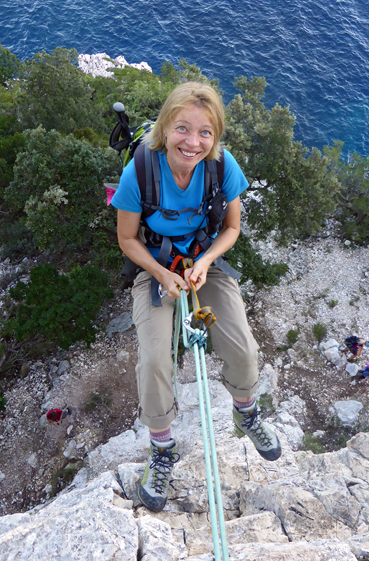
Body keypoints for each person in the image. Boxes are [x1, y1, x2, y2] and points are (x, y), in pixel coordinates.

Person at [111, 81, 281, 513]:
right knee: (154, 360)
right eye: (183, 128)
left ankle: (246, 411)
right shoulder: (140, 172)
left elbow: (232, 228)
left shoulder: (222, 166)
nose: (193, 142)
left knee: (243, 348)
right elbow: (127, 239)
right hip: (155, 268)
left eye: (205, 132)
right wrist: (161, 274)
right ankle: (161, 449)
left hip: (204, 264)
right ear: (166, 128)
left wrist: (204, 262)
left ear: (216, 136)